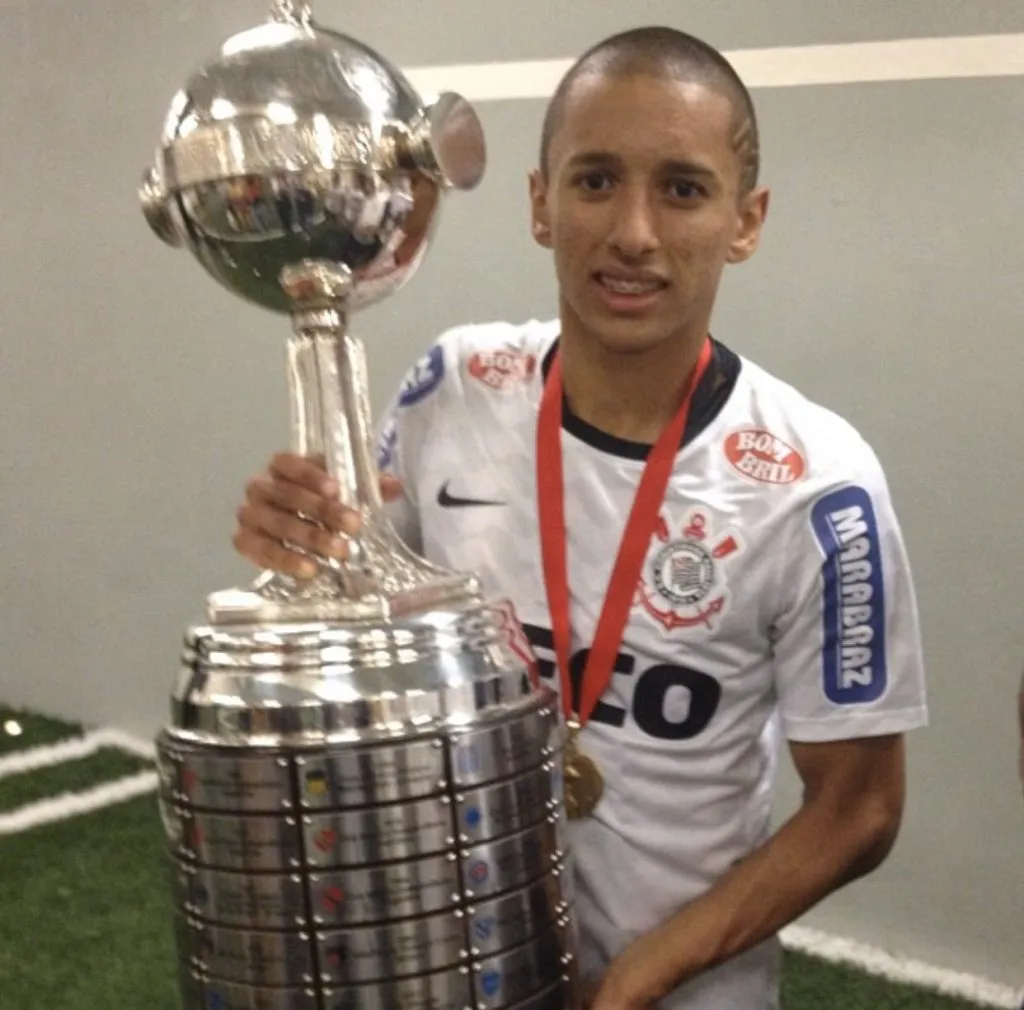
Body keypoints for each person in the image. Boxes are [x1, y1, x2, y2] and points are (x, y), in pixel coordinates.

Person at [232, 26, 928, 1010]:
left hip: (684, 991)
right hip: (459, 966)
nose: (633, 232)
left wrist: (635, 979)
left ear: (746, 218)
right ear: (539, 203)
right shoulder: (454, 387)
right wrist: (301, 555)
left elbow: (859, 808)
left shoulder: (819, 484)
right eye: (595, 180)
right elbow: (370, 621)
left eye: (682, 188)